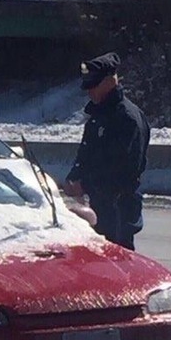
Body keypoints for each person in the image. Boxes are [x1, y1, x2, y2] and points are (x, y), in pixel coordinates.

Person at [63, 51, 150, 250]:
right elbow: (86, 154)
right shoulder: (99, 114)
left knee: (119, 267)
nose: (89, 91)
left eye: (93, 86)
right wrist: (74, 177)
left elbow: (122, 169)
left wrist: (84, 184)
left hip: (119, 208)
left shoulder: (126, 118)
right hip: (100, 207)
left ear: (109, 81)